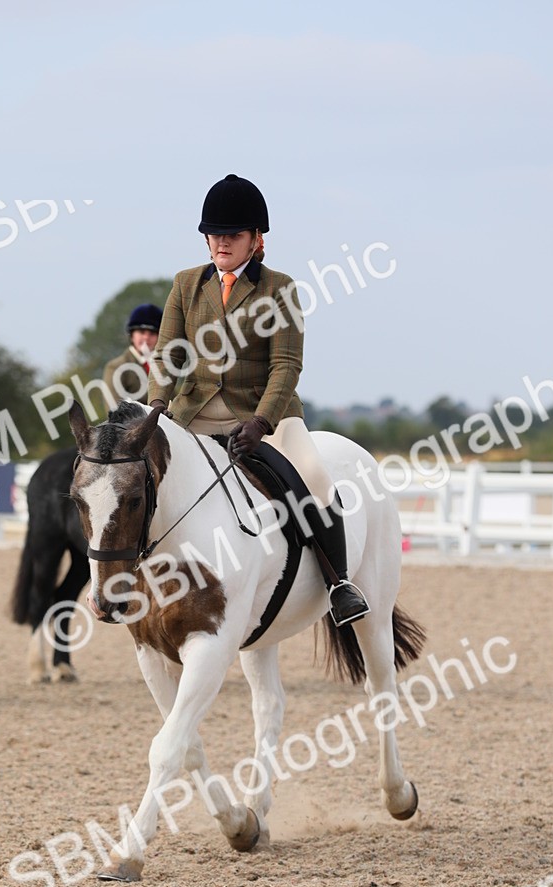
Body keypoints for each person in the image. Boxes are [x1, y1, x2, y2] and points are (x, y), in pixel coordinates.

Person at [147, 173, 370, 627]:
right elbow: (169, 356)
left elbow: (286, 365)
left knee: (314, 475)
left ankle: (339, 583)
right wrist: (156, 408)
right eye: (215, 234)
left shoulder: (279, 288)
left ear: (255, 239)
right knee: (139, 477)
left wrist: (262, 422)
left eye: (233, 234)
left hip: (263, 411)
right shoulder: (186, 284)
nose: (222, 242)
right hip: (195, 410)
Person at [103, 303, 163, 406]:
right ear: (132, 335)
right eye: (142, 332)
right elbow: (114, 409)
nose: (146, 337)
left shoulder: (162, 366)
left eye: (152, 333)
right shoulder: (116, 367)